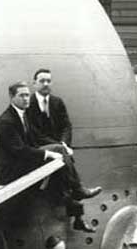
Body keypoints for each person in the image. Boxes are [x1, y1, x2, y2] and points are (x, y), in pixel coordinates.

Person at [0, 81, 99, 233]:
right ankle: (78, 194)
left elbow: (37, 138)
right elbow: (20, 150)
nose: (26, 99)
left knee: (59, 160)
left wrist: (63, 146)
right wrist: (48, 153)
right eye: (22, 96)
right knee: (58, 160)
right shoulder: (6, 122)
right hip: (9, 170)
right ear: (11, 97)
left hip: (21, 162)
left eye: (27, 95)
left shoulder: (22, 115)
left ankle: (77, 206)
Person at [25, 68, 101, 201]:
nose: (46, 84)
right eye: (42, 81)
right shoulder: (28, 104)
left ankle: (70, 196)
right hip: (37, 147)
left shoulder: (57, 102)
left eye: (48, 81)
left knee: (62, 155)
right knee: (61, 152)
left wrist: (65, 143)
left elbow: (66, 126)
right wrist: (60, 145)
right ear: (34, 83)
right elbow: (33, 133)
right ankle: (78, 190)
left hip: (58, 146)